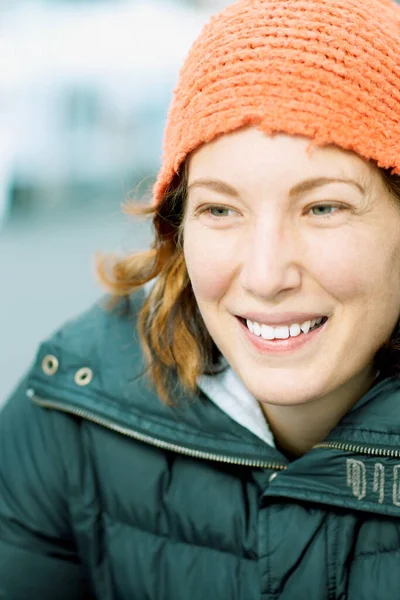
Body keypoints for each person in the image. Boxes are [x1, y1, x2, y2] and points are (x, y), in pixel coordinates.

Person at [2, 0, 400, 597]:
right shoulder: (71, 418)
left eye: (324, 207)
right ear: (176, 228)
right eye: (220, 209)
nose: (266, 276)